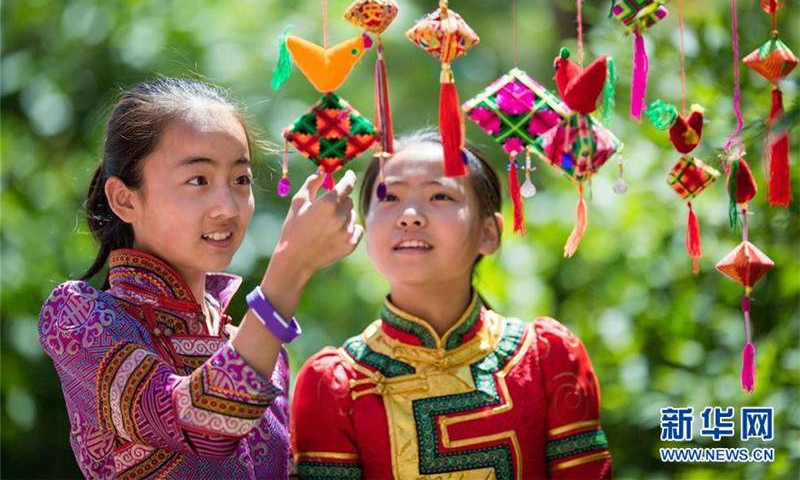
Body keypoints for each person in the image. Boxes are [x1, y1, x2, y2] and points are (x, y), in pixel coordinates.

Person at [38, 78, 362, 479]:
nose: (227, 207)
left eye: (240, 180)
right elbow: (202, 423)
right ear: (125, 199)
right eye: (198, 180)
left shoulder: (259, 348)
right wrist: (290, 265)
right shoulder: (79, 319)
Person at [291, 131, 612, 479]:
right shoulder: (334, 386)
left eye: (440, 195)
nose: (410, 216)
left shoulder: (547, 360)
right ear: (365, 228)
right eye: (389, 196)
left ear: (488, 233)